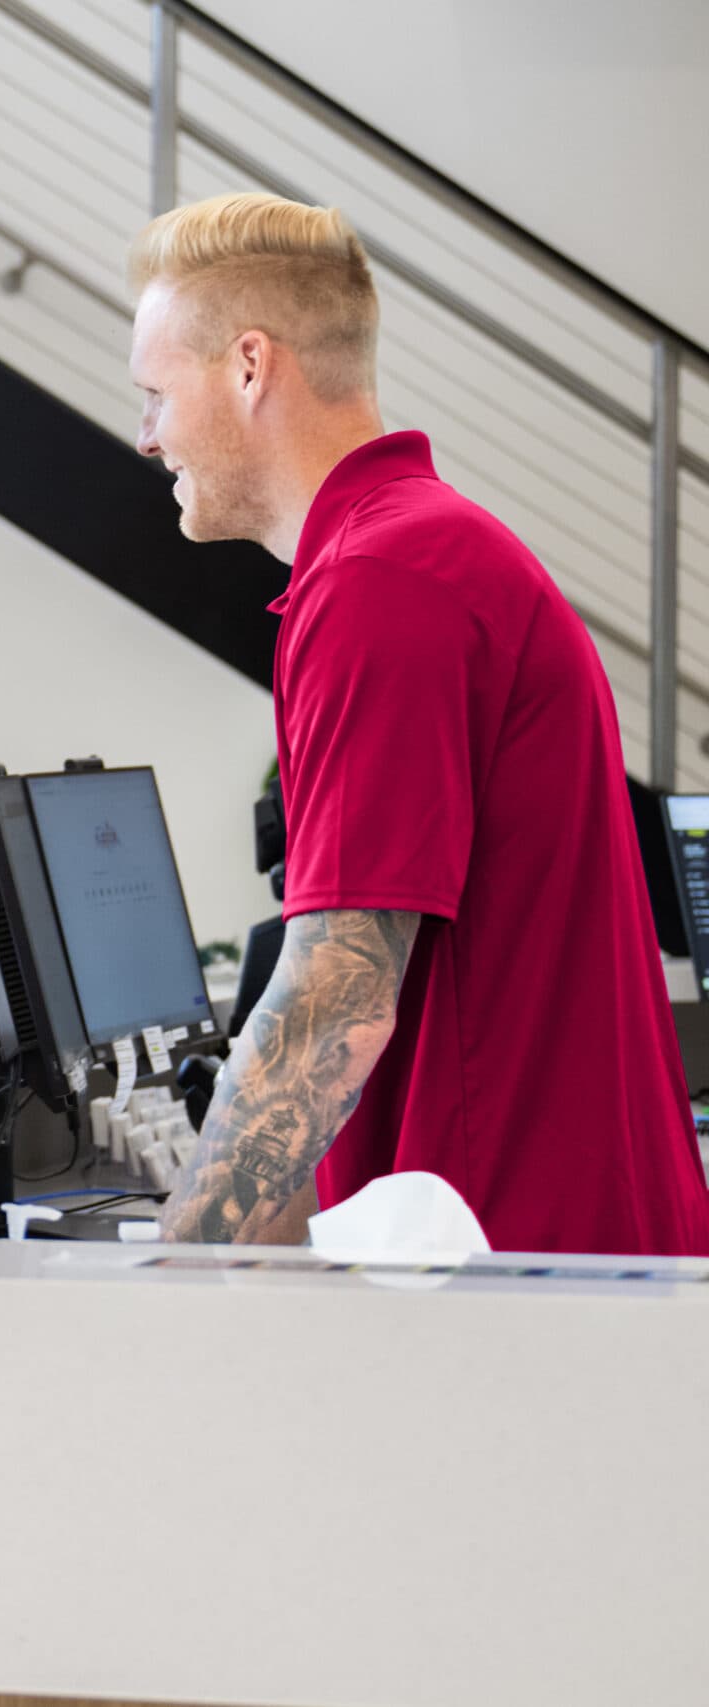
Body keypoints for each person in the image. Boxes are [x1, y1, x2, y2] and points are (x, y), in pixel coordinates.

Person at [129, 191, 709, 1255]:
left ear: (248, 367)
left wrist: (174, 1278)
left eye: (157, 394)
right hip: (546, 1247)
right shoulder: (422, 553)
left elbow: (331, 1004)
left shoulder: (380, 584)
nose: (146, 435)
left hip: (512, 1269)